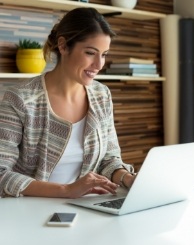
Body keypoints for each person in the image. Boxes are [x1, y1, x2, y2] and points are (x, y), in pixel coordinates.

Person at [0, 7, 136, 198]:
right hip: (31, 211)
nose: (99, 65)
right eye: (90, 53)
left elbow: (109, 160)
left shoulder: (101, 95)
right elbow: (1, 174)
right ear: (63, 46)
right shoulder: (20, 99)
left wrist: (127, 178)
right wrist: (67, 190)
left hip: (86, 208)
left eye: (104, 54)